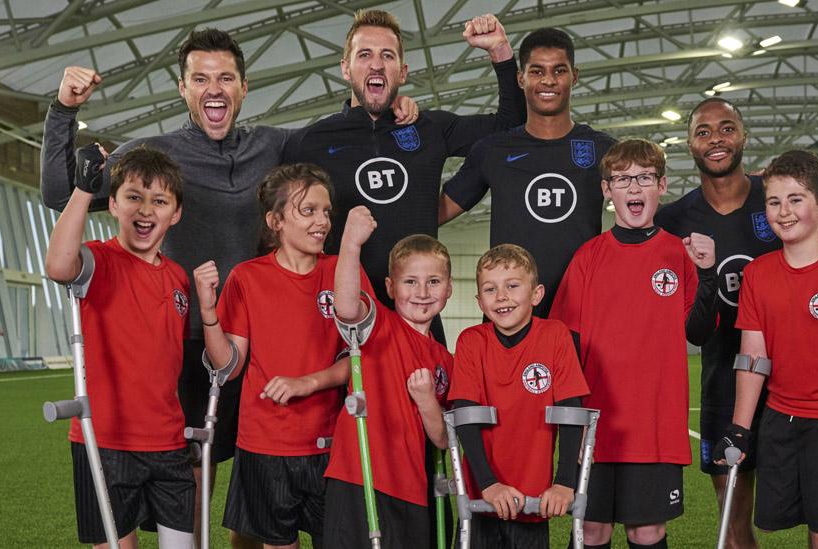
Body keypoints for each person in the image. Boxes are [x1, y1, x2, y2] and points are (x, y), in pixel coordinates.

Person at [40, 28, 416, 548]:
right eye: (200, 79)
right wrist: (62, 111)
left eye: (224, 78)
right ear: (182, 88)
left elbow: (341, 140)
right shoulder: (151, 154)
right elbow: (60, 193)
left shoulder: (276, 144)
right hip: (196, 343)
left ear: (243, 87)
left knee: (257, 491)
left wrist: (389, 108)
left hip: (267, 347)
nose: (213, 88)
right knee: (199, 478)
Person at [653, 97, 818, 548]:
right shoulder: (673, 220)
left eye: (727, 128)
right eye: (704, 131)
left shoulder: (774, 194)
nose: (716, 139)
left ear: (744, 136)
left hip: (799, 381)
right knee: (733, 513)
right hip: (727, 377)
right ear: (690, 144)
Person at [283, 9, 527, 312]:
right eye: (364, 55)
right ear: (345, 69)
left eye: (387, 56)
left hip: (417, 314)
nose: (376, 64)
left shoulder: (428, 129)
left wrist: (500, 51)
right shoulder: (312, 141)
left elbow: (510, 129)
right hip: (342, 314)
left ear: (403, 71)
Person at [550, 139, 718, 549]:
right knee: (591, 530)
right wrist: (570, 427)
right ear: (607, 191)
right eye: (622, 179)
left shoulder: (679, 255)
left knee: (647, 532)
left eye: (643, 178)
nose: (633, 188)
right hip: (597, 427)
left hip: (654, 425)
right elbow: (564, 346)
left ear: (661, 186)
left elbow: (697, 332)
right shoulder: (588, 257)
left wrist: (709, 275)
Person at [714, 150, 818, 549]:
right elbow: (753, 359)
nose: (784, 211)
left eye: (796, 199)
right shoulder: (757, 274)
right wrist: (739, 429)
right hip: (780, 420)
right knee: (776, 525)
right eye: (774, 201)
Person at [195, 164, 362, 548]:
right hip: (265, 445)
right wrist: (209, 313)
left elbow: (359, 357)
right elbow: (229, 367)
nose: (322, 221)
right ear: (275, 221)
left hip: (331, 445)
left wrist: (308, 382)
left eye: (326, 212)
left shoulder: (342, 271)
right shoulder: (247, 277)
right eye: (308, 211)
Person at [45, 144, 195, 548]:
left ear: (175, 214)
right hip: (106, 439)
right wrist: (82, 189)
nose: (145, 210)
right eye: (133, 197)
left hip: (168, 440)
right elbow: (59, 265)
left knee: (183, 543)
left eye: (159, 201)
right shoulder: (97, 260)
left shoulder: (180, 278)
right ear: (112, 204)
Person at [438, 27, 615, 317]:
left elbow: (642, 211)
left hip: (580, 314)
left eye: (559, 70)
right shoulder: (493, 150)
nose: (548, 80)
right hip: (509, 317)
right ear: (521, 78)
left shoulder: (603, 150)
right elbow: (436, 212)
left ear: (575, 76)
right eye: (537, 71)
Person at [323, 207, 454, 549]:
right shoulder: (379, 326)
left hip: (411, 486)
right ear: (391, 287)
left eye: (434, 282)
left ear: (449, 288)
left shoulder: (447, 360)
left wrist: (427, 400)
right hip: (358, 476)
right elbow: (348, 308)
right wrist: (351, 244)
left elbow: (443, 439)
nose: (422, 291)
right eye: (410, 281)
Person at [448, 243, 590, 548]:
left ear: (536, 294)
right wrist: (488, 485)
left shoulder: (554, 335)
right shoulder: (471, 342)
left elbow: (571, 409)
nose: (501, 296)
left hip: (535, 498)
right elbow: (465, 416)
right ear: (479, 301)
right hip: (480, 496)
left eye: (512, 286)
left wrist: (565, 482)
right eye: (490, 289)